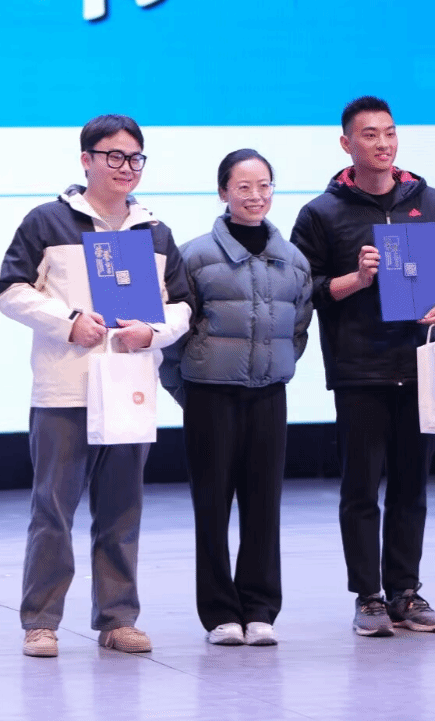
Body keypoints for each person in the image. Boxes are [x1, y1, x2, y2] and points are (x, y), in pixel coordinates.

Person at [0, 114, 191, 658]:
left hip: (128, 387)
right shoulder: (48, 221)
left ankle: (117, 619)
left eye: (135, 158)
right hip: (66, 389)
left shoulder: (154, 232)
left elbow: (182, 304)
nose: (126, 167)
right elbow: (10, 290)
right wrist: (69, 322)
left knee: (122, 511)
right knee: (53, 510)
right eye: (114, 156)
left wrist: (152, 332)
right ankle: (41, 622)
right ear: (86, 160)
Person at [290, 96, 435, 636]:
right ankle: (368, 597)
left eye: (390, 133)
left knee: (411, 486)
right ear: (346, 144)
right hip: (359, 369)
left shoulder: (432, 202)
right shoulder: (321, 214)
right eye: (370, 134)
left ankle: (406, 593)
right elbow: (304, 289)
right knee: (360, 489)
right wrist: (356, 279)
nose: (383, 143)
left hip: (420, 363)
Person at [160, 149, 313, 647]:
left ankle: (261, 609)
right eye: (243, 186)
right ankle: (220, 614)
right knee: (211, 507)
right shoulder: (194, 256)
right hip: (210, 397)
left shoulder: (294, 260)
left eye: (264, 185)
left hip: (269, 396)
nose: (255, 196)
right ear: (223, 191)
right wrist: (190, 388)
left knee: (264, 505)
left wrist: (274, 367)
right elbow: (173, 339)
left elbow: (298, 329)